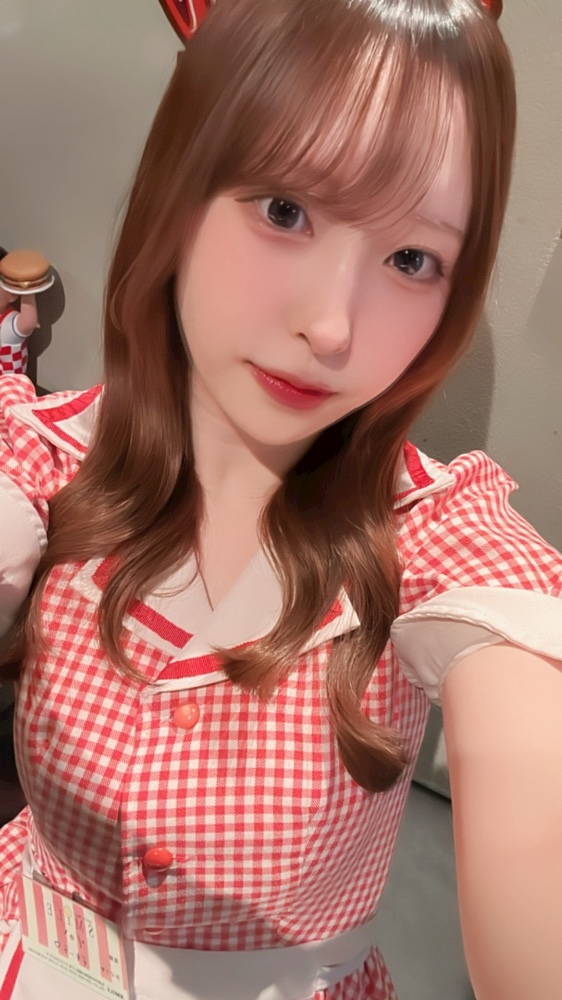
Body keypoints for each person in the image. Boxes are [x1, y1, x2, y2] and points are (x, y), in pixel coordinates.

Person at [0, 0, 561, 997]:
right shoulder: (42, 458)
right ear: (180, 192)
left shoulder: (439, 535)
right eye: (285, 210)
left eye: (412, 259)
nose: (332, 326)